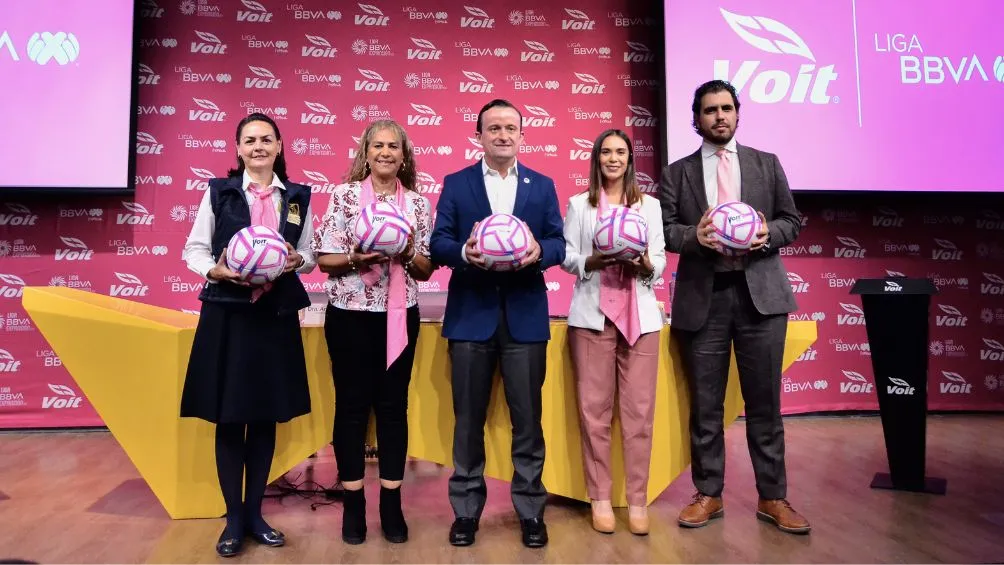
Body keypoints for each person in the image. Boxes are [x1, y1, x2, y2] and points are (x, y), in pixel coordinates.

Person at [659, 80, 810, 534]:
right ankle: (709, 494)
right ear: (696, 118)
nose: (719, 116)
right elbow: (666, 230)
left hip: (760, 299)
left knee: (765, 404)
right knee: (705, 406)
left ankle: (773, 497)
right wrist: (695, 237)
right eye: (709, 110)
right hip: (703, 300)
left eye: (726, 108)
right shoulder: (677, 173)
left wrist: (768, 235)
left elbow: (792, 220)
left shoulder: (766, 164)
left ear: (737, 113)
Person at [430, 99, 565, 548]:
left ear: (522, 135)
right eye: (494, 128)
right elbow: (438, 242)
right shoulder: (457, 183)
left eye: (511, 128)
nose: (503, 135)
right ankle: (466, 512)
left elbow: (558, 243)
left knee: (528, 422)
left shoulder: (542, 186)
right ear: (479, 135)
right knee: (467, 422)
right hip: (471, 319)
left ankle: (530, 511)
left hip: (525, 319)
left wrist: (540, 253)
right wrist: (464, 253)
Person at [180, 112, 316, 556]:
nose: (258, 147)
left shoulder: (296, 197)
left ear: (279, 146)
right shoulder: (219, 194)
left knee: (263, 417)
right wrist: (215, 270)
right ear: (238, 149)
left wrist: (298, 261)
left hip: (274, 317)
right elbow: (194, 250)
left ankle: (256, 513)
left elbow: (309, 253)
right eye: (250, 140)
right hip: (228, 316)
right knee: (229, 416)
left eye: (266, 140)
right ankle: (233, 519)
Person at [312, 119, 435, 545]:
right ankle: (352, 505)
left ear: (404, 156)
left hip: (399, 315)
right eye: (377, 145)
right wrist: (355, 259)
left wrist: (407, 251)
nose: (385, 152)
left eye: (393, 146)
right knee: (350, 408)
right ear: (366, 152)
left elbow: (425, 267)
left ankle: (391, 503)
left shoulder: (418, 205)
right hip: (349, 314)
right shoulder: (344, 197)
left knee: (392, 408)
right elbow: (322, 259)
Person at [561, 129, 666, 536]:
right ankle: (600, 497)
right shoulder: (579, 204)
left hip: (640, 319)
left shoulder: (650, 206)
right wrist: (595, 259)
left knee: (639, 416)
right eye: (606, 151)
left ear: (630, 159)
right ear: (596, 158)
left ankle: (636, 501)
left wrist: (642, 265)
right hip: (591, 317)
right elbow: (568, 256)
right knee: (594, 414)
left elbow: (658, 261)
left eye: (620, 152)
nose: (613, 158)